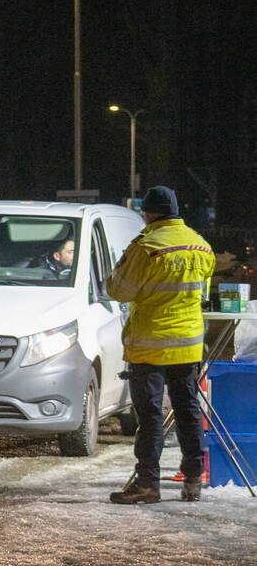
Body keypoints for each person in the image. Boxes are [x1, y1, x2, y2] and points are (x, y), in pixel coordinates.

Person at [106, 186, 215, 504]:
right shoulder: (201, 246)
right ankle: (193, 480)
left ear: (149, 213)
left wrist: (113, 275)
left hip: (150, 345)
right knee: (188, 411)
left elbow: (121, 291)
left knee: (151, 416)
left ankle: (148, 484)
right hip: (189, 345)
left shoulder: (146, 246)